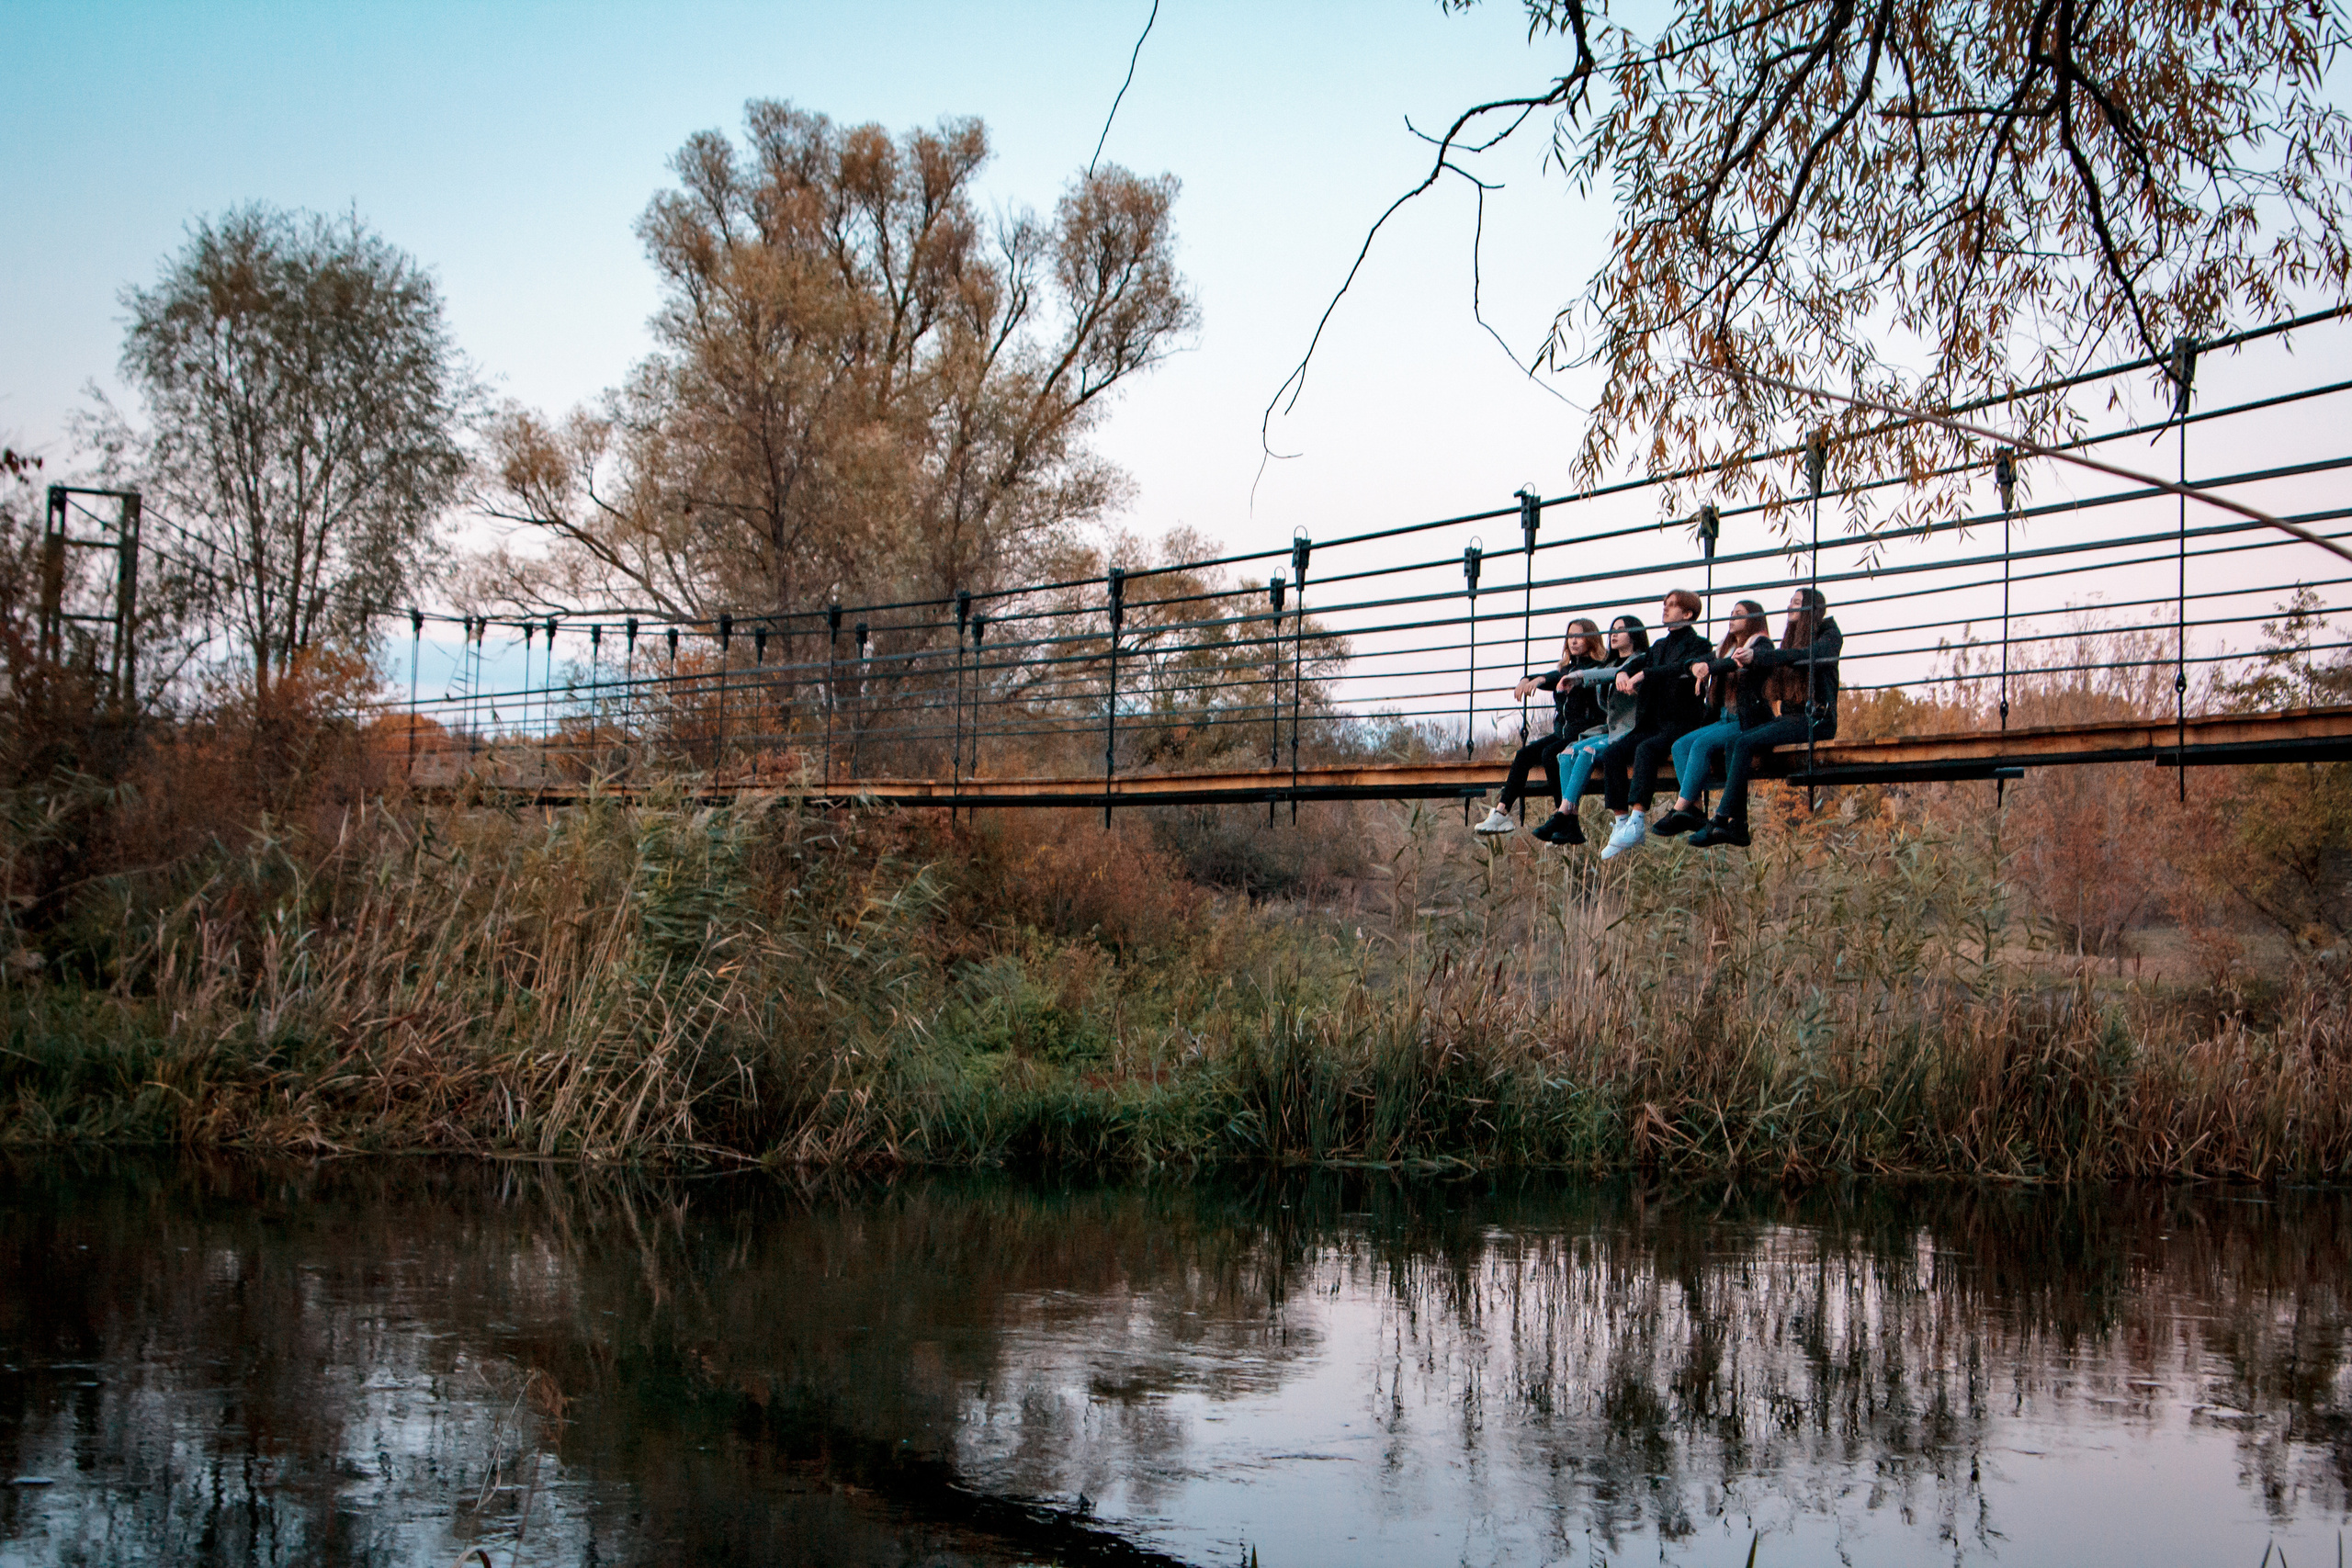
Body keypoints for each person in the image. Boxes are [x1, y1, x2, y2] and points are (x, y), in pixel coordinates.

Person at [1690, 587, 1843, 848]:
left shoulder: (1828, 633)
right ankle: (1738, 826)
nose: (1790, 607)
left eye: (1797, 603)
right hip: (1791, 717)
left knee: (1743, 743)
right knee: (1734, 743)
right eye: (1790, 602)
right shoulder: (1793, 637)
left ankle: (1722, 818)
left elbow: (1811, 655)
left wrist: (1758, 657)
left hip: (1817, 719)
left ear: (1812, 608)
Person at [1595, 589, 1713, 859]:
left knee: (1646, 750)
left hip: (1682, 721)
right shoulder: (1659, 646)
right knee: (1613, 752)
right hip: (1654, 721)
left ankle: (1638, 819)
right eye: (1665, 604)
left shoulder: (1700, 646)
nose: (1665, 609)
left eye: (1672, 606)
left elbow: (1682, 667)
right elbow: (1639, 664)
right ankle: (1622, 822)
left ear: (1687, 614)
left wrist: (1644, 675)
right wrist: (1624, 673)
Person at [1475, 618, 1608, 836]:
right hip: (1562, 733)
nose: (1573, 641)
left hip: (1584, 733)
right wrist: (1527, 679)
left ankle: (1562, 814)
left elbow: (1565, 677)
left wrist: (1540, 680)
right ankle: (1501, 813)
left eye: (1579, 636)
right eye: (1570, 636)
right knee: (1524, 755)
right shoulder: (1567, 667)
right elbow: (1558, 675)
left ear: (1591, 639)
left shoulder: (1596, 668)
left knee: (1549, 754)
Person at [1651, 600, 1773, 837]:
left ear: (1753, 619)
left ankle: (1679, 808)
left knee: (1701, 744)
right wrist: (1696, 666)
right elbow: (1698, 660)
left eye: (1739, 614)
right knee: (1680, 745)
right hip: (1724, 717)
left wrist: (1711, 667)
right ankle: (1694, 808)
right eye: (1731, 612)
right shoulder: (1724, 646)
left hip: (1747, 719)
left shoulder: (1760, 643)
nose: (1732, 617)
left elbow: (1750, 660)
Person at [1525, 615, 1646, 844]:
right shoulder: (1610, 664)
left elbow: (1611, 674)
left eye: (1620, 630)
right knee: (1566, 753)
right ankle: (1569, 818)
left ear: (1634, 635)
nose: (1614, 634)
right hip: (1609, 730)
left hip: (1630, 731)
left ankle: (1563, 812)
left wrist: (1580, 676)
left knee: (1587, 752)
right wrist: (1541, 678)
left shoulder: (1640, 661)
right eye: (1612, 629)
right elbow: (1605, 672)